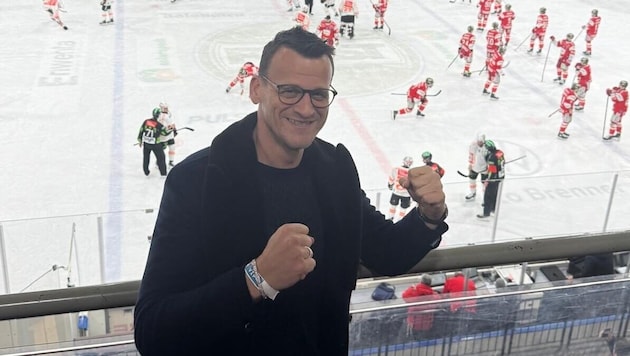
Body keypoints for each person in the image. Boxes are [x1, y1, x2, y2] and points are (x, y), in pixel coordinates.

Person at [133, 27, 448, 355]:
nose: (306, 108)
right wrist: (256, 279)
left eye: (319, 94)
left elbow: (385, 251)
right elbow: (153, 330)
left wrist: (429, 215)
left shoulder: (334, 170)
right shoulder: (196, 180)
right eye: (289, 91)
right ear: (256, 89)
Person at [402, 274, 440, 339]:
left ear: (421, 282)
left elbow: (404, 296)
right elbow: (438, 302)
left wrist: (411, 288)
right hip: (427, 324)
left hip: (413, 323)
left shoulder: (413, 291)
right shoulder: (434, 295)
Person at [137, 108, 169, 177]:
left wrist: (140, 140)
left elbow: (141, 130)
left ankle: (146, 171)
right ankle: (163, 173)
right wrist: (170, 129)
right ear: (158, 115)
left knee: (146, 158)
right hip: (155, 145)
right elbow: (165, 133)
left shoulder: (146, 121)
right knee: (161, 158)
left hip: (146, 144)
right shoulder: (159, 125)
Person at [477, 140, 504, 218]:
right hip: (501, 177)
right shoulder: (500, 152)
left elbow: (492, 171)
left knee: (488, 196)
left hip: (494, 179)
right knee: (495, 194)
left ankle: (486, 213)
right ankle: (493, 209)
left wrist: (488, 180)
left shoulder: (492, 158)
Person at [386, 156, 414, 221]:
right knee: (401, 208)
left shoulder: (396, 169)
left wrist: (390, 184)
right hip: (403, 193)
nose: (408, 163)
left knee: (395, 207)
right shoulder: (412, 172)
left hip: (398, 192)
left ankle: (391, 218)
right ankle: (398, 220)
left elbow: (391, 178)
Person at [465, 133, 488, 201]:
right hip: (474, 167)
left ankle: (485, 197)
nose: (479, 143)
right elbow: (471, 155)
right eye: (478, 141)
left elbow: (490, 158)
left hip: (485, 169)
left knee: (485, 183)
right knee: (472, 180)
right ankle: (473, 193)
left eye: (481, 142)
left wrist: (489, 167)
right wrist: (470, 164)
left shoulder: (487, 147)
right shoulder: (473, 145)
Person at [157, 102, 177, 167]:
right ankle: (158, 161)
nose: (166, 109)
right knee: (162, 150)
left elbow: (171, 122)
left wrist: (174, 129)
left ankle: (171, 161)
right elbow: (162, 127)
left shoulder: (169, 114)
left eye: (167, 108)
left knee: (172, 147)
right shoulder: (161, 116)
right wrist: (170, 128)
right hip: (163, 137)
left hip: (170, 135)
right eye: (165, 108)